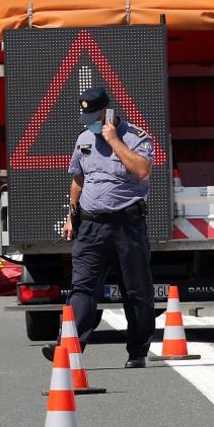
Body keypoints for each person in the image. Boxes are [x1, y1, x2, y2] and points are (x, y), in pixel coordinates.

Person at [58, 87, 155, 369]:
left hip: (127, 226)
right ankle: (69, 348)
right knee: (82, 289)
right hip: (90, 227)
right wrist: (71, 215)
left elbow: (142, 170)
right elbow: (78, 178)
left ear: (108, 111)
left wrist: (113, 140)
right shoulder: (84, 138)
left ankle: (137, 351)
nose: (90, 122)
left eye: (94, 116)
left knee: (136, 291)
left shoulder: (135, 137)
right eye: (86, 116)